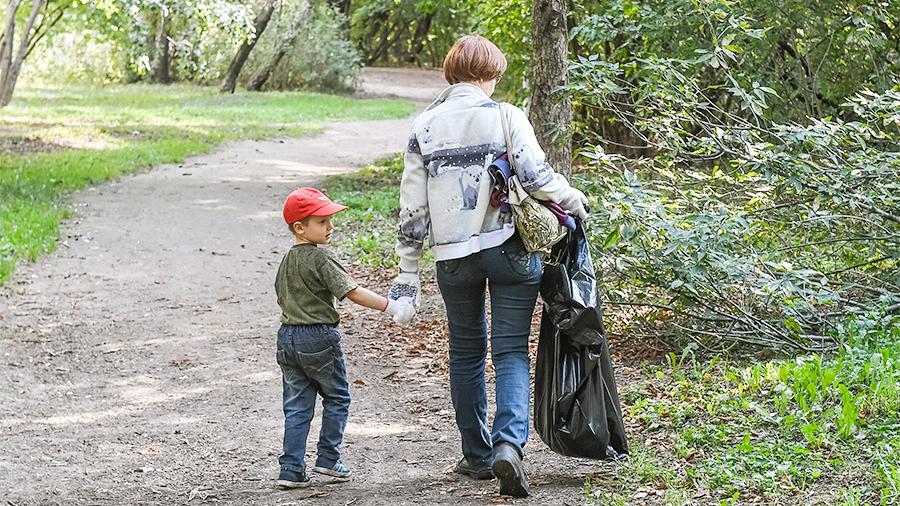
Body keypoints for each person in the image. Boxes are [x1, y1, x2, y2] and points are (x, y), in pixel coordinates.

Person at [388, 35, 589, 497]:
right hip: (510, 251)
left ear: (451, 73)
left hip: (454, 260)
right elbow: (537, 177)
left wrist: (406, 275)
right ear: (488, 75)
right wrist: (571, 199)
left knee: (465, 352)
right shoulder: (505, 115)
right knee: (511, 351)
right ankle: (508, 448)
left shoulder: (424, 126)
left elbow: (412, 211)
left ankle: (476, 456)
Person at [275, 187, 416, 489]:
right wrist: (391, 307)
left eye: (330, 220)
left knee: (298, 406)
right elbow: (352, 292)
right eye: (322, 221)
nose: (330, 226)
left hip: (287, 337)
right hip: (319, 337)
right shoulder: (321, 257)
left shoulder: (287, 260)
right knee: (337, 397)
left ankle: (290, 469)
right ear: (300, 227)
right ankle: (327, 459)